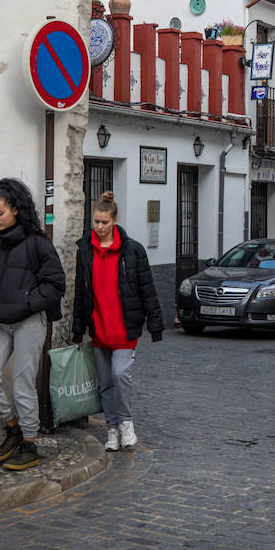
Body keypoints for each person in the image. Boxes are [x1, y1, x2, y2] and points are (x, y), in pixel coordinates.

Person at [0, 178, 66, 472]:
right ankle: (12, 427)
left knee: (22, 385)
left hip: (29, 322)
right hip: (1, 323)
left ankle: (29, 442)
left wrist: (27, 303)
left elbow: (56, 284)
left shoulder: (38, 243)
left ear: (15, 209)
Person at [72, 191, 164, 452]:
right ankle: (111, 429)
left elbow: (147, 288)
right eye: (96, 222)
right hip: (99, 329)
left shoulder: (133, 250)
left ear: (114, 220)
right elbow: (81, 292)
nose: (99, 227)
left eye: (104, 222)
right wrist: (78, 331)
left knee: (119, 373)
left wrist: (156, 324)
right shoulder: (85, 251)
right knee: (105, 382)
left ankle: (126, 423)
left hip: (124, 328)